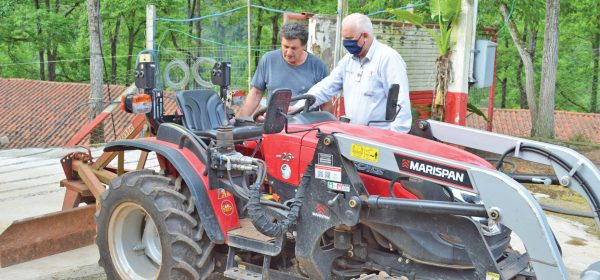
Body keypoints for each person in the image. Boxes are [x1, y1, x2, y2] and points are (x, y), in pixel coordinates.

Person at [303, 13, 412, 133]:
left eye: (349, 39)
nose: (346, 43)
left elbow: (400, 103)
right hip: (354, 135)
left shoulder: (388, 59)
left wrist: (396, 139)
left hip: (380, 138)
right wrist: (299, 105)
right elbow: (327, 86)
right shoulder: (348, 60)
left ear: (365, 36)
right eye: (344, 38)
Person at [237, 21, 332, 119]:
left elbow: (326, 104)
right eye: (285, 47)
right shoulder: (269, 60)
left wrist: (329, 128)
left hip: (305, 128)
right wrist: (240, 120)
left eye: (294, 48)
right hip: (274, 124)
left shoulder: (318, 66)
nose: (289, 52)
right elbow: (256, 93)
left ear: (304, 46)